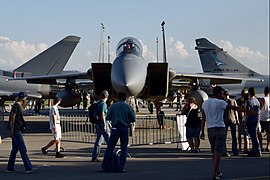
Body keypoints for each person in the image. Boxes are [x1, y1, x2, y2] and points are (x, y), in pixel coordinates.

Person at [102, 92, 136, 172]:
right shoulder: (127, 107)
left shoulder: (113, 106)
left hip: (115, 128)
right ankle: (121, 167)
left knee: (110, 147)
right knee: (124, 148)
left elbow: (108, 117)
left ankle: (106, 166)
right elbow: (133, 119)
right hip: (124, 128)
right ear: (125, 98)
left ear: (118, 98)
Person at [6, 92, 33, 173]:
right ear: (23, 98)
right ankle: (28, 167)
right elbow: (12, 118)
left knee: (15, 149)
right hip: (16, 129)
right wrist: (11, 129)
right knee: (22, 148)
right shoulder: (16, 105)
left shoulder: (18, 106)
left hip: (17, 128)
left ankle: (10, 167)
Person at [91, 90, 110, 162]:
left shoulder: (98, 103)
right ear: (107, 96)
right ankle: (112, 155)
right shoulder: (103, 104)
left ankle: (94, 156)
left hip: (98, 123)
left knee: (99, 140)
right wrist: (105, 124)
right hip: (102, 124)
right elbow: (102, 114)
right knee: (109, 141)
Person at [245, 87, 261, 157]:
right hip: (256, 119)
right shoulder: (257, 101)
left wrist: (245, 122)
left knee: (253, 136)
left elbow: (248, 112)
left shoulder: (249, 101)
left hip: (251, 120)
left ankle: (257, 150)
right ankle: (254, 149)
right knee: (254, 135)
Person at [224, 90, 239, 156]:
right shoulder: (233, 101)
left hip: (226, 120)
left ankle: (224, 150)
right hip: (233, 120)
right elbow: (236, 111)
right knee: (234, 136)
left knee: (224, 136)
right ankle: (235, 150)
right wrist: (237, 120)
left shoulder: (223, 102)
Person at [236, 89, 250, 153]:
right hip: (240, 118)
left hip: (245, 118)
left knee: (246, 134)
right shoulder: (239, 101)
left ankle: (246, 147)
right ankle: (240, 147)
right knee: (239, 133)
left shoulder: (249, 101)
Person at [259, 87, 270, 151]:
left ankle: (261, 146)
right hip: (268, 118)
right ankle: (268, 146)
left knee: (260, 132)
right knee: (268, 133)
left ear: (264, 92)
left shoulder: (263, 99)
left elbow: (260, 108)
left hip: (262, 117)